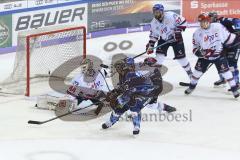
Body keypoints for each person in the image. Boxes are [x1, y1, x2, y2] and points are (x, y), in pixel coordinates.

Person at [102, 57, 176, 135]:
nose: (117, 70)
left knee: (134, 106)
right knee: (122, 107)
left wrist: (118, 100)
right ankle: (110, 122)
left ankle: (136, 126)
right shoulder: (124, 74)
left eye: (118, 68)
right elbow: (123, 87)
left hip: (146, 93)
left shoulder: (131, 74)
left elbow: (129, 92)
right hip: (137, 93)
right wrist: (115, 92)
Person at [185, 13, 239, 98]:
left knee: (226, 72)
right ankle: (192, 86)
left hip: (219, 55)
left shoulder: (217, 26)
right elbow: (195, 48)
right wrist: (199, 53)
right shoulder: (197, 33)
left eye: (205, 21)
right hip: (205, 57)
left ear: (209, 21)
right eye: (201, 22)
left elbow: (227, 38)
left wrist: (233, 40)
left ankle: (234, 88)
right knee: (196, 73)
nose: (203, 23)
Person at [36, 58, 108, 115]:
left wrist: (106, 68)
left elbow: (109, 71)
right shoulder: (78, 78)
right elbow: (71, 92)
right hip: (81, 96)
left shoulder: (99, 72)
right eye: (82, 67)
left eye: (84, 67)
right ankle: (61, 104)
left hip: (95, 95)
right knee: (70, 104)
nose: (83, 69)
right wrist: (68, 101)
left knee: (107, 102)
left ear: (90, 66)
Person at [146, 4, 192, 80]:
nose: (156, 14)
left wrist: (178, 31)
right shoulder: (153, 23)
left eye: (157, 12)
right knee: (159, 57)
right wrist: (151, 45)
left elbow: (183, 22)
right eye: (154, 12)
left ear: (162, 11)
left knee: (181, 59)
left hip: (176, 39)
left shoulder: (171, 15)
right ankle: (156, 77)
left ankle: (190, 75)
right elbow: (154, 35)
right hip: (164, 39)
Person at [208, 12, 240, 89]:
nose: (209, 20)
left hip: (235, 44)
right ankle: (223, 79)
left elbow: (237, 20)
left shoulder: (223, 20)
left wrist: (238, 29)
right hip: (224, 46)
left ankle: (237, 83)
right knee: (219, 62)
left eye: (210, 18)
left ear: (215, 17)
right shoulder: (209, 27)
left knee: (232, 64)